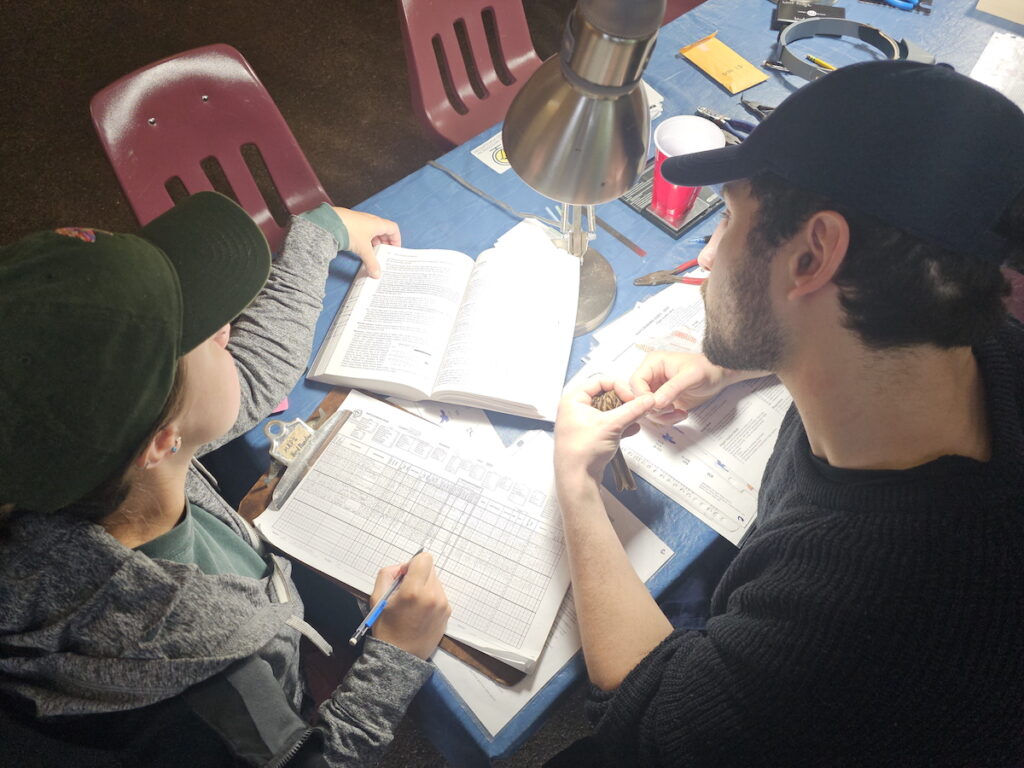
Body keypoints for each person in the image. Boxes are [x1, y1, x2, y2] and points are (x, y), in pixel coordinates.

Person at [552, 60, 1024, 766]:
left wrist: (579, 487)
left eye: (732, 217)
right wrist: (731, 358)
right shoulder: (975, 336)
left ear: (812, 256)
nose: (707, 255)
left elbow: (645, 717)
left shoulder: (855, 620)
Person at [0, 191, 451, 766]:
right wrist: (396, 656)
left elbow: (258, 367)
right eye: (209, 337)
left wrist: (319, 231)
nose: (228, 327)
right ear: (162, 441)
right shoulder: (208, 692)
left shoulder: (80, 465)